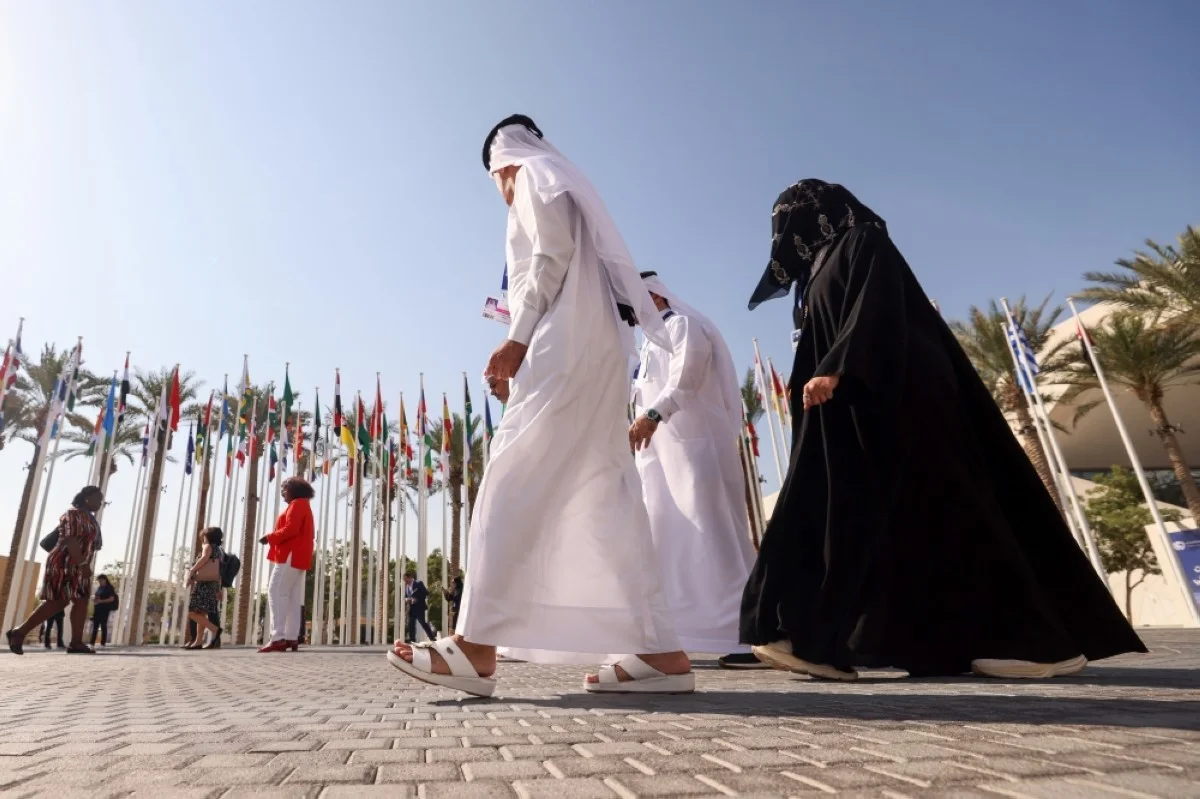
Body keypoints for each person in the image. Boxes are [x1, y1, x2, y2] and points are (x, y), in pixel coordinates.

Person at [740, 179, 1147, 680]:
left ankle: (1041, 643)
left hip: (904, 406)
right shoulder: (815, 270)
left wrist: (838, 365)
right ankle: (841, 642)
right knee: (874, 525)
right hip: (853, 414)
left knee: (952, 513)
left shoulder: (862, 240)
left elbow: (877, 306)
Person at [389, 116, 692, 697]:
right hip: (595, 350)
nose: (501, 194)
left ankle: (476, 647)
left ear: (499, 164)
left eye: (495, 184)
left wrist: (517, 341)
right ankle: (661, 651)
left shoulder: (530, 176)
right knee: (606, 495)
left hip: (563, 346)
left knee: (512, 472)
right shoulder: (562, 179)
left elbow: (547, 258)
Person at [630, 272, 765, 669]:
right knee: (674, 544)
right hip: (661, 459)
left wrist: (654, 415)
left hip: (695, 454)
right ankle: (682, 635)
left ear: (654, 297)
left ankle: (748, 635)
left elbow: (685, 378)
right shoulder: (649, 344)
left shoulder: (683, 325)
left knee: (715, 536)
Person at [6, 486, 105, 655]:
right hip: (64, 562)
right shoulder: (73, 514)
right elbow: (70, 539)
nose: (101, 502)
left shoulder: (91, 519)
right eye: (98, 498)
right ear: (87, 498)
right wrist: (82, 564)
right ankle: (19, 632)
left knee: (81, 599)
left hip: (81, 565)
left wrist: (84, 564)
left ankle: (76, 643)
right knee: (59, 601)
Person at [258, 477, 315, 653]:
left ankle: (278, 638)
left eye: (285, 489)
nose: (283, 492)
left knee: (276, 592)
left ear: (293, 490)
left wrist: (270, 537)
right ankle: (291, 637)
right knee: (292, 597)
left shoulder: (297, 504)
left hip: (290, 554)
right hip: (299, 555)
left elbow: (291, 528)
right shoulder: (304, 504)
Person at [183, 527, 224, 651]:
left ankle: (215, 630)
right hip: (211, 584)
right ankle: (198, 641)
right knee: (200, 613)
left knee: (192, 613)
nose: (203, 538)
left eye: (204, 536)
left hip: (203, 584)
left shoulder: (207, 546)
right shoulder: (219, 550)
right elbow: (218, 571)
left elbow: (204, 558)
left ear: (208, 537)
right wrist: (218, 589)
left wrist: (193, 569)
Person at [403, 571, 437, 643]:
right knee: (411, 624)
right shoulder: (406, 586)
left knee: (422, 622)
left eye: (406, 579)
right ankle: (412, 640)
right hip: (411, 608)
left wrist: (417, 599)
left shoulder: (418, 583)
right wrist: (406, 599)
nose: (405, 581)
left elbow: (425, 593)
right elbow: (406, 596)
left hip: (419, 607)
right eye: (404, 580)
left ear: (410, 577)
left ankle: (431, 637)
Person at [90, 574, 117, 647]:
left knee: (103, 625)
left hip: (104, 609)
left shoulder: (109, 588)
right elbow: (97, 596)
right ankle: (92, 642)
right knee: (95, 625)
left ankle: (103, 642)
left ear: (105, 580)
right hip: (97, 608)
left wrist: (101, 601)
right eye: (99, 581)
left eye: (101, 581)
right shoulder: (100, 587)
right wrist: (95, 599)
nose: (100, 583)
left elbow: (111, 599)